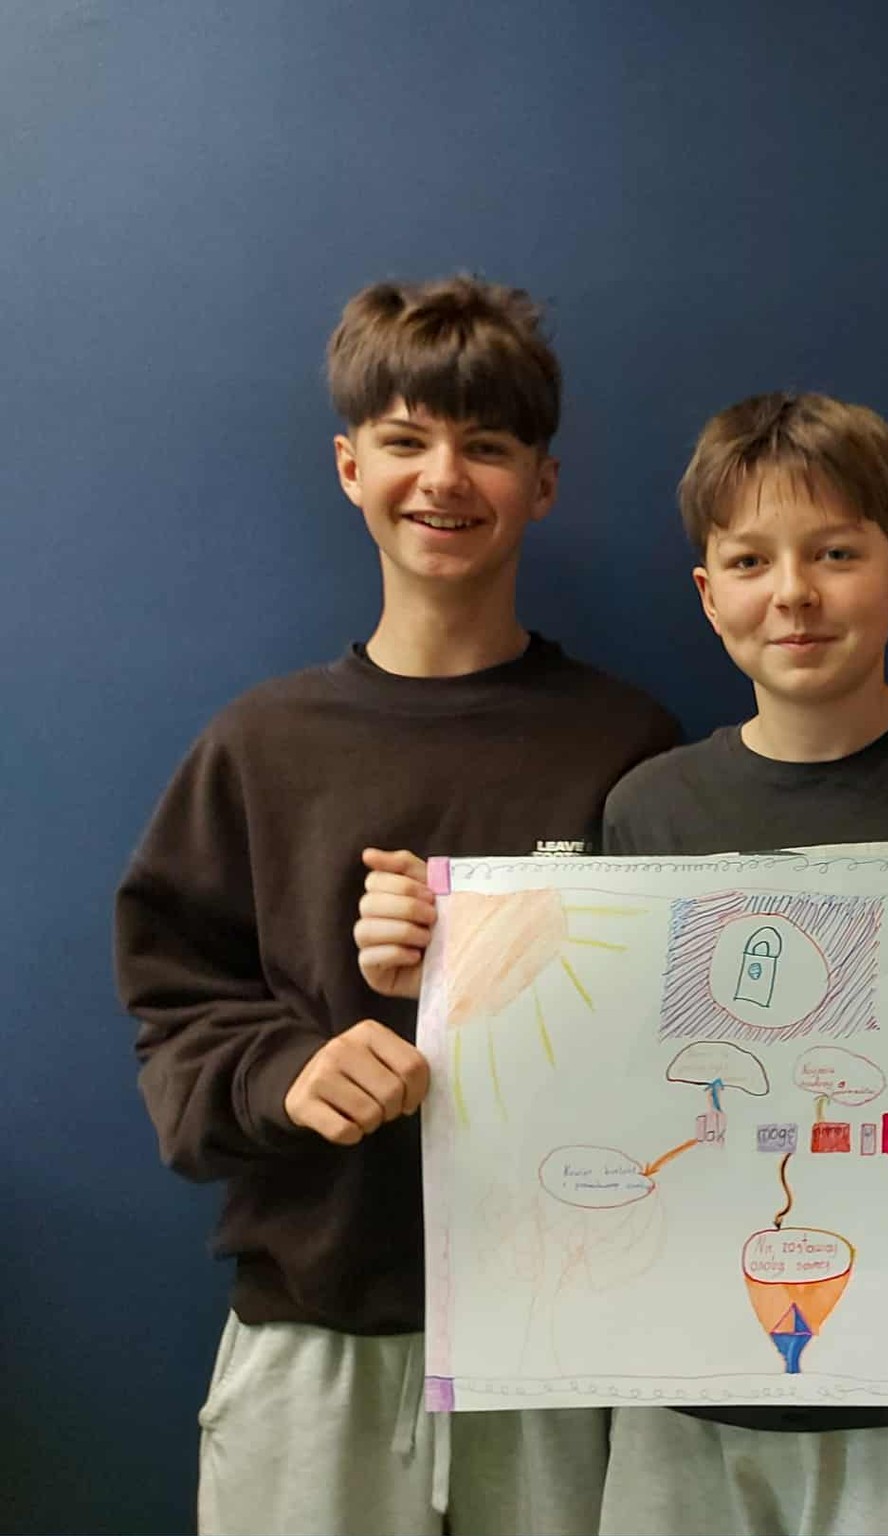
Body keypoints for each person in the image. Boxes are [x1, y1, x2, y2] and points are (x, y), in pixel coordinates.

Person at [353, 389, 888, 1535]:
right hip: (680, 1384)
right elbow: (603, 1068)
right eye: (749, 560)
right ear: (706, 593)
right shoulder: (649, 808)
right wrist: (447, 987)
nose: (792, 592)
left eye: (834, 553)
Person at [114, 275, 680, 1535]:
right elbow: (174, 1009)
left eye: (487, 446)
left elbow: (677, 1033)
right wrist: (287, 1072)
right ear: (349, 465)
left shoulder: (629, 745)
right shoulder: (261, 746)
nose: (444, 479)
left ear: (543, 482)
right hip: (316, 1327)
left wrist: (498, 966)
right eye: (407, 440)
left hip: (563, 1329)